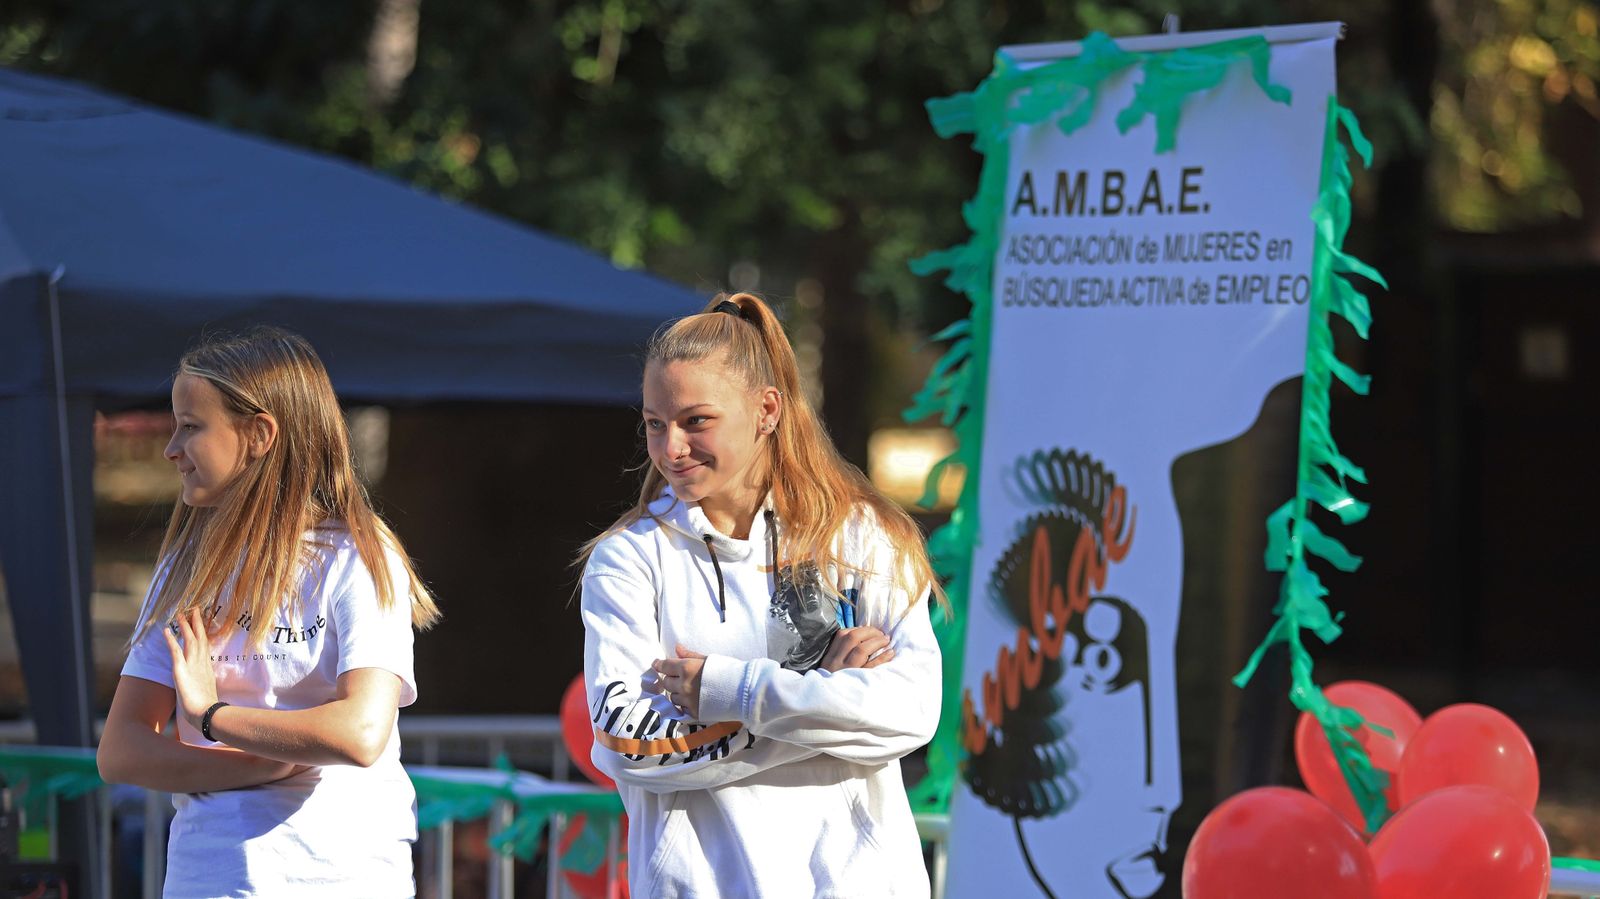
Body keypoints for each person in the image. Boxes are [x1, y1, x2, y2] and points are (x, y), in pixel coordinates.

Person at [579, 292, 945, 898]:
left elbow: (910, 711)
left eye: (696, 421)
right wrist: (823, 694)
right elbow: (624, 743)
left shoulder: (861, 536)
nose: (671, 448)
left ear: (767, 410)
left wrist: (730, 691)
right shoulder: (627, 559)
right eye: (653, 423)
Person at [96, 327, 440, 899]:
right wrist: (250, 766)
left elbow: (359, 733)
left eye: (191, 426)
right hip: (209, 878)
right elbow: (122, 750)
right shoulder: (187, 564)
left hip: (339, 877)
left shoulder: (356, 552)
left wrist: (212, 715)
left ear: (258, 435)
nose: (170, 449)